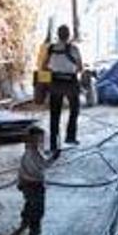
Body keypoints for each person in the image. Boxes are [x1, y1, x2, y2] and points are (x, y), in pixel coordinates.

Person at [41, 25, 84, 155]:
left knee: (55, 114)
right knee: (74, 109)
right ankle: (70, 137)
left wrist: (54, 71)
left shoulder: (51, 48)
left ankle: (54, 143)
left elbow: (44, 66)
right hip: (70, 82)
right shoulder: (74, 49)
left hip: (55, 83)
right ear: (68, 35)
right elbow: (80, 67)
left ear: (58, 35)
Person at [15, 126, 50, 235]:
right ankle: (34, 229)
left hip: (25, 183)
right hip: (36, 184)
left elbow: (20, 169)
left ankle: (25, 221)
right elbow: (45, 165)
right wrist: (54, 157)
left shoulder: (26, 151)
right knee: (38, 208)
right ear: (35, 139)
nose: (42, 141)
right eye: (40, 139)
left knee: (29, 203)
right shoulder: (36, 153)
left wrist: (19, 182)